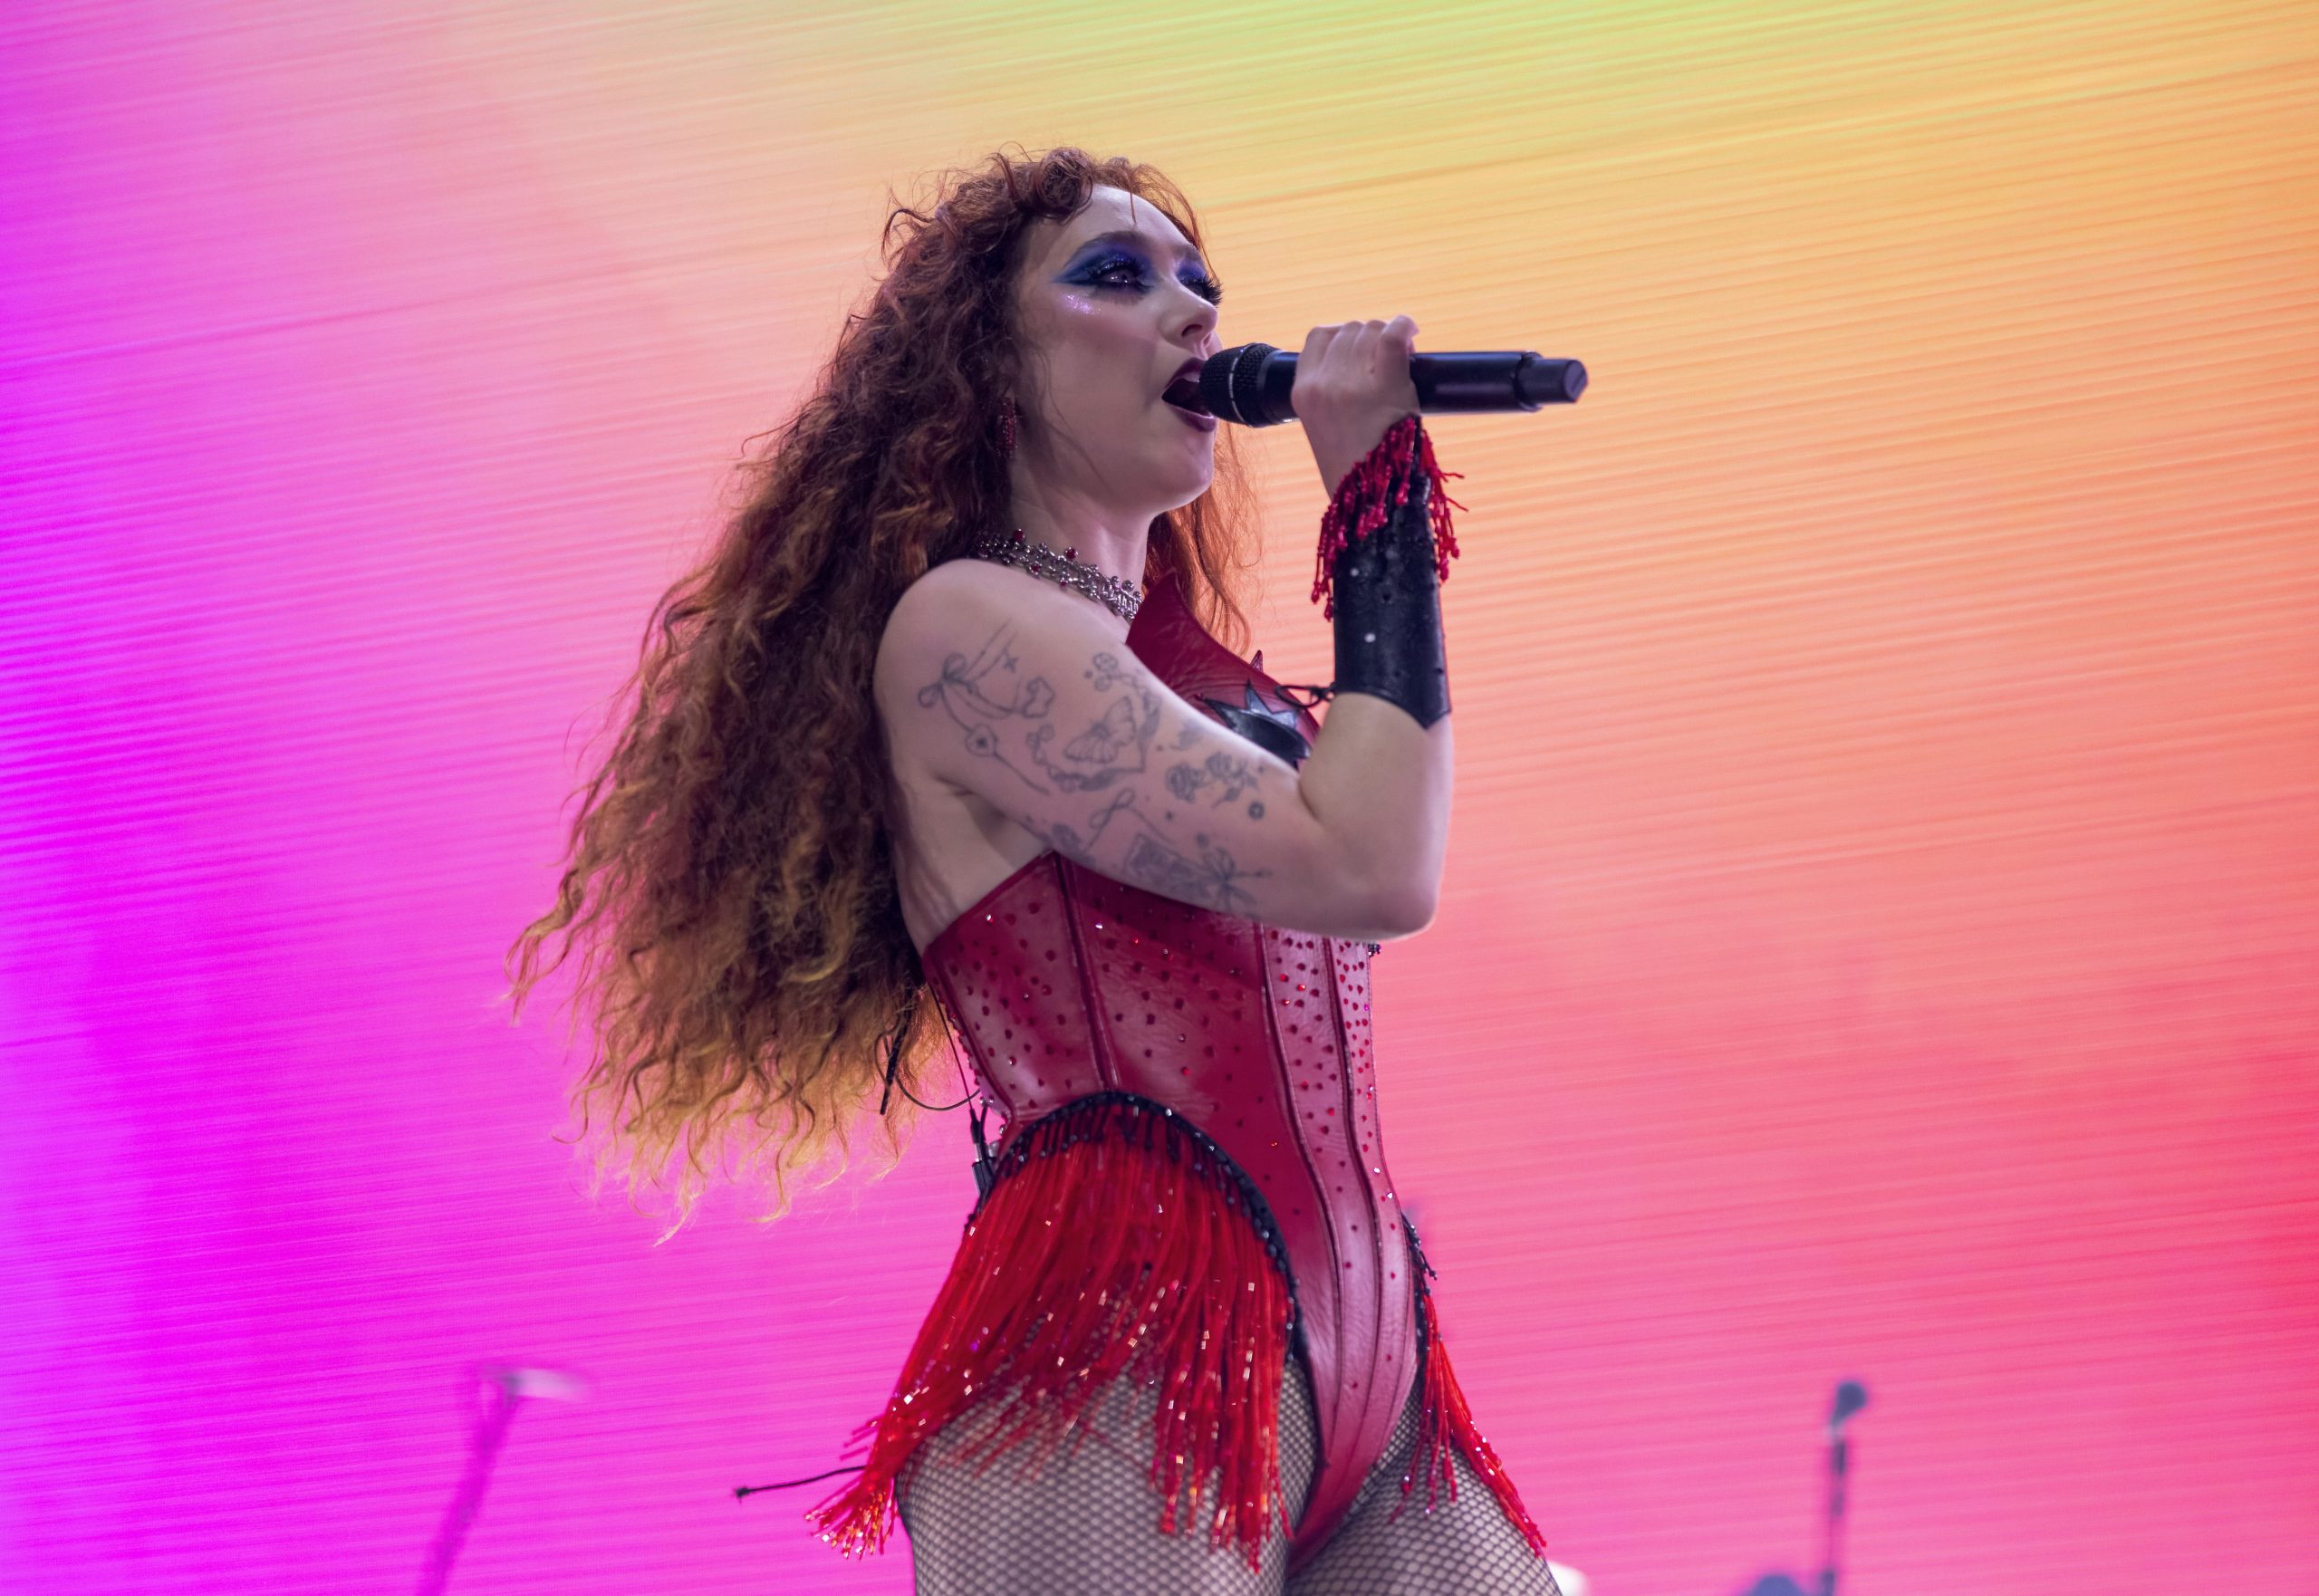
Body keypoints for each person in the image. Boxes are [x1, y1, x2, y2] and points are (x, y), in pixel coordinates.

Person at [509, 147, 1563, 1595]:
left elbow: (1388, 841)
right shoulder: (971, 629)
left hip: (1371, 1341)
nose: (1193, 315)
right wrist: (1375, 493)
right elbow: (1374, 862)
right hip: (1117, 1320)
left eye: (1202, 283)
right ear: (987, 366)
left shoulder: (1195, 672)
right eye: (1116, 279)